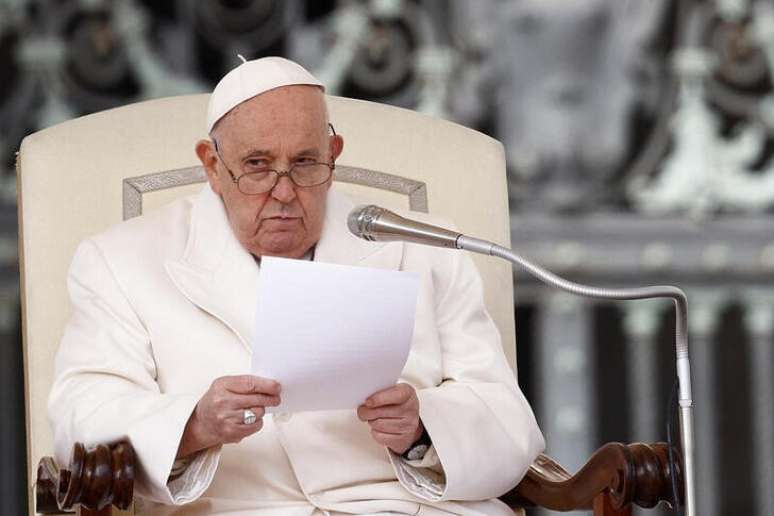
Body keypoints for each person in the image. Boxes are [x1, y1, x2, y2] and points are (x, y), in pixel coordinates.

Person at [49, 56, 544, 516]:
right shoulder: (121, 259)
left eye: (305, 163)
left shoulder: (423, 245)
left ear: (334, 154)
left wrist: (423, 429)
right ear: (212, 166)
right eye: (258, 166)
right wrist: (195, 425)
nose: (284, 192)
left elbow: (508, 422)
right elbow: (82, 412)